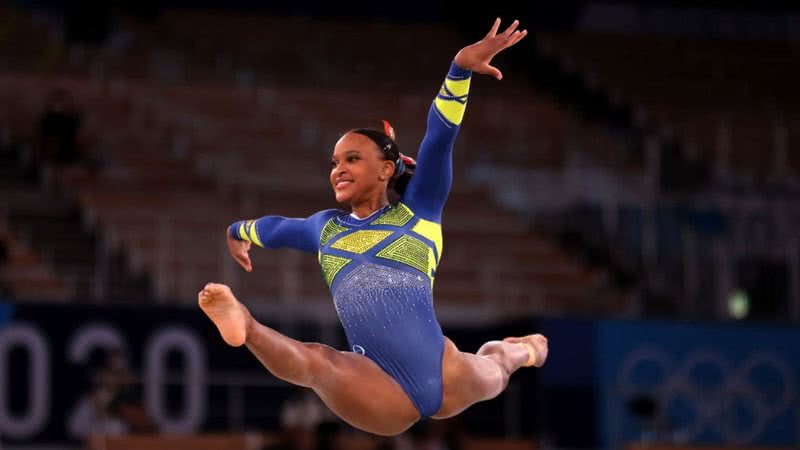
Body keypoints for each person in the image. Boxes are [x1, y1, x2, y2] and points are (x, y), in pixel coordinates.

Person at [199, 18, 548, 436]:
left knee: (496, 365)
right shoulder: (324, 228)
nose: (338, 170)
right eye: (334, 162)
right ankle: (245, 325)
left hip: (447, 369)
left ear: (386, 169)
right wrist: (237, 232)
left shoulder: (420, 211)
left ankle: (522, 350)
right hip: (379, 386)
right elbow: (273, 228)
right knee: (318, 363)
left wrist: (459, 69)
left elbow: (440, 138)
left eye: (351, 159)